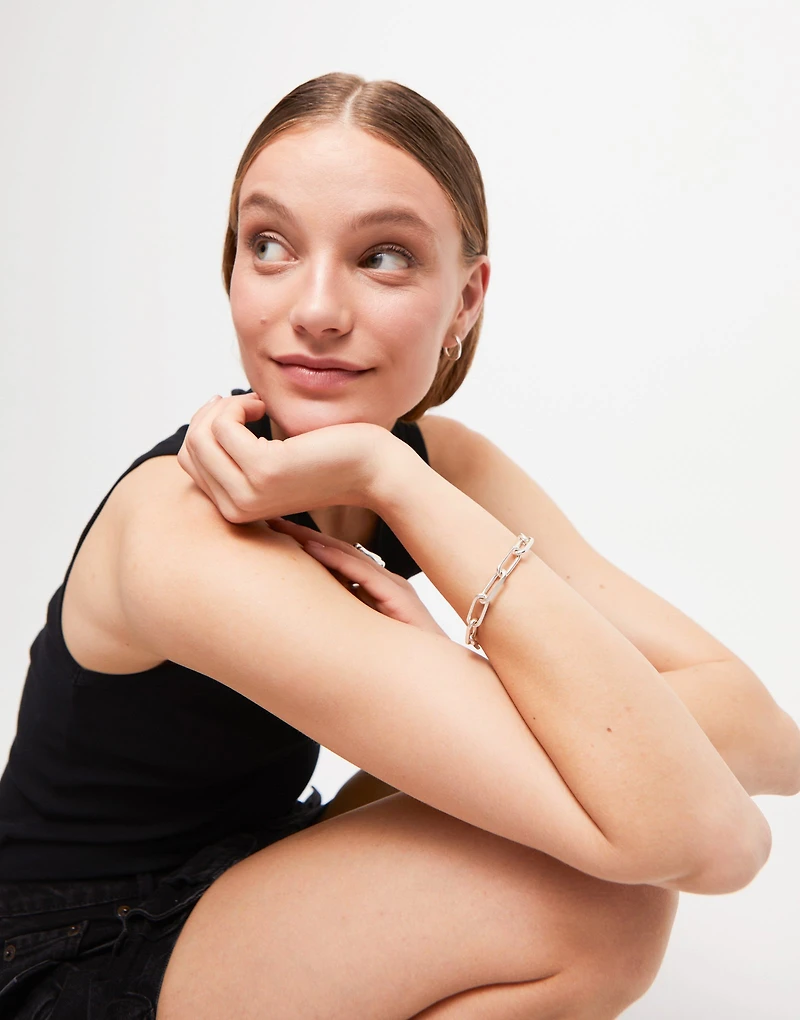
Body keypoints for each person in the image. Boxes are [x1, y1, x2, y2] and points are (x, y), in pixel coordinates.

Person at [0, 71, 787, 1020]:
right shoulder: (183, 530)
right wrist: (392, 483)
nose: (317, 307)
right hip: (75, 953)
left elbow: (762, 730)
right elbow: (710, 836)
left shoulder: (428, 465)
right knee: (599, 899)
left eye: (382, 257)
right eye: (271, 245)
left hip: (251, 877)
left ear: (466, 299)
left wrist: (395, 478)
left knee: (606, 826)